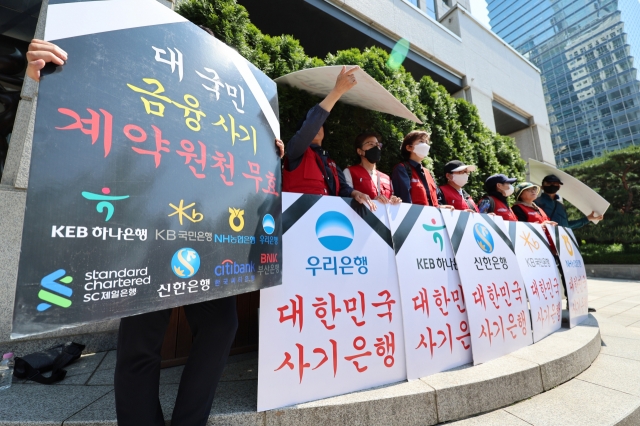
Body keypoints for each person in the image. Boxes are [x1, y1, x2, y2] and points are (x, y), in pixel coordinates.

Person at [26, 39, 284, 426]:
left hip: (206, 238)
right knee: (141, 338)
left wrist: (265, 152)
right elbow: (85, 122)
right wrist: (43, 80)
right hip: (149, 230)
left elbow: (229, 160)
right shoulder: (144, 85)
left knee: (221, 324)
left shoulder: (219, 113)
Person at [282, 66, 377, 210]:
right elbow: (310, 126)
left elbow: (342, 188)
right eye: (313, 126)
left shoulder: (330, 162)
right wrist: (337, 91)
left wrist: (355, 193)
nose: (316, 128)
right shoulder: (296, 150)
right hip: (297, 219)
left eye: (320, 126)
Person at [391, 130, 452, 209]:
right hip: (413, 218)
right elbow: (404, 199)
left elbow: (436, 200)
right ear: (409, 147)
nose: (425, 145)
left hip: (433, 219)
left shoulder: (427, 173)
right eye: (421, 141)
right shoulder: (402, 169)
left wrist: (441, 207)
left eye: (426, 142)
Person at [344, 131, 401, 204]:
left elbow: (391, 198)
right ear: (359, 151)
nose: (376, 147)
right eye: (371, 144)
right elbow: (346, 198)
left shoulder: (386, 178)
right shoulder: (350, 172)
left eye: (378, 145)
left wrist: (394, 200)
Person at [535, 174, 603, 229]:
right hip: (547, 240)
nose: (552, 185)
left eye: (555, 183)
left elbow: (567, 225)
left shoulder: (561, 206)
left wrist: (587, 219)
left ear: (559, 187)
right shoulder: (535, 202)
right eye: (549, 183)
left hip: (563, 240)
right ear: (542, 187)